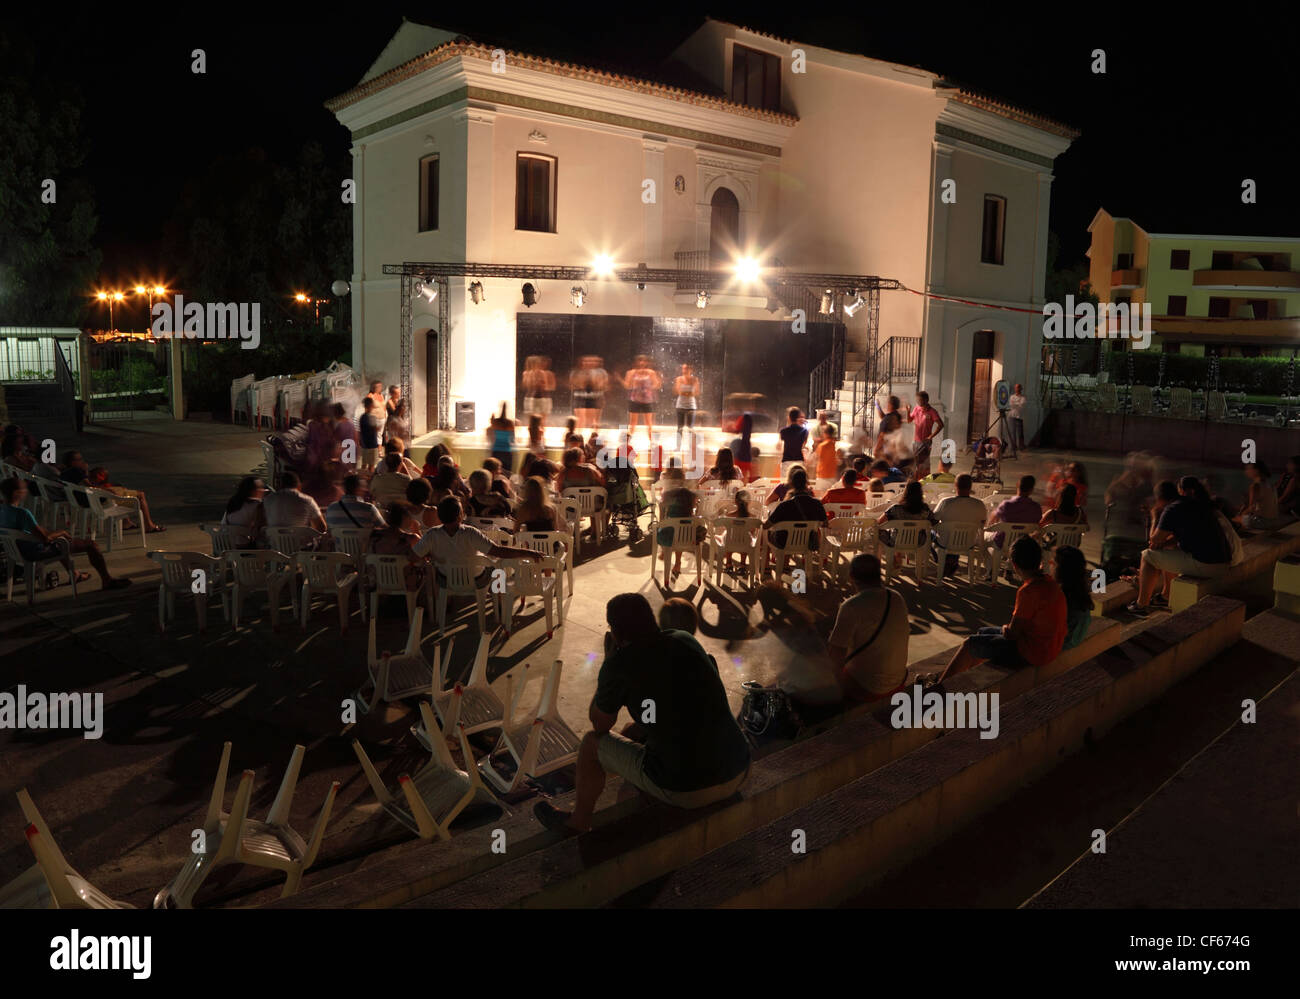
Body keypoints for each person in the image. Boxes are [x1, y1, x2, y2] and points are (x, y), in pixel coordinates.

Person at [533, 592, 750, 835]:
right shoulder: (685, 640)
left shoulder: (619, 665)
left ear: (614, 632)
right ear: (652, 619)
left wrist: (608, 664)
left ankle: (578, 821)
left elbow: (600, 724)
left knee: (591, 745)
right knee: (633, 731)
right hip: (738, 767)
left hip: (687, 788)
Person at [936, 536, 1067, 682]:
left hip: (1032, 653)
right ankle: (962, 678)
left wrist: (1005, 628)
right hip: (1049, 647)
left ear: (1015, 565)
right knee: (982, 632)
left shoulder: (1029, 591)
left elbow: (1012, 633)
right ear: (1039, 561)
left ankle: (939, 688)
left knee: (969, 644)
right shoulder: (1050, 583)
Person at [0, 477, 131, 590]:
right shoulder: (22, 513)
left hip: (16, 551)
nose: (26, 491)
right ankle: (107, 580)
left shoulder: (3, 510)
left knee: (61, 541)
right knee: (91, 545)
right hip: (35, 551)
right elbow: (45, 538)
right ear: (17, 493)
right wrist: (61, 532)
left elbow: (35, 530)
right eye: (23, 489)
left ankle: (74, 574)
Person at [1127, 476, 1232, 615]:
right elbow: (1182, 535)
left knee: (1147, 556)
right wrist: (1164, 543)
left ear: (1159, 499)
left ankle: (1141, 605)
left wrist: (1154, 517)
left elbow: (1153, 540)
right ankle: (1166, 596)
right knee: (1168, 550)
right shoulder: (1195, 503)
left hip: (1206, 565)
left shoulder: (1172, 509)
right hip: (1222, 562)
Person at [827, 554, 910, 702]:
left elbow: (836, 657)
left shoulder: (851, 606)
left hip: (866, 688)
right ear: (879, 574)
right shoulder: (897, 597)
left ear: (851, 576)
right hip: (898, 683)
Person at [410, 497, 536, 587]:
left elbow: (414, 557)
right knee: (498, 570)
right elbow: (499, 551)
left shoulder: (432, 534)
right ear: (460, 515)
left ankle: (446, 600)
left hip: (446, 580)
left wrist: (429, 554)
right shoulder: (470, 533)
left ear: (440, 516)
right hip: (475, 579)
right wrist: (528, 552)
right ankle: (499, 601)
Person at [765, 467, 827, 559]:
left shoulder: (784, 505)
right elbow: (825, 524)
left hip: (784, 543)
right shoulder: (817, 504)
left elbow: (767, 525)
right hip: (807, 542)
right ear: (806, 483)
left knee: (766, 534)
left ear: (791, 483)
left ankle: (770, 566)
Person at [84, 465, 165, 534]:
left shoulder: (84, 484)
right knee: (140, 495)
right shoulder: (103, 489)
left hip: (100, 503)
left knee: (121, 488)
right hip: (108, 505)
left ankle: (126, 523)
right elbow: (113, 494)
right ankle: (149, 525)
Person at [655, 461, 702, 580]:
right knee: (680, 529)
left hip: (671, 530)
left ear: (670, 479)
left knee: (666, 529)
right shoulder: (691, 495)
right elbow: (695, 512)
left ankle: (665, 550)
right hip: (689, 532)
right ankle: (677, 563)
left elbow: (663, 512)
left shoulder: (667, 494)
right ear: (684, 479)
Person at [987, 474, 1042, 551]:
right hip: (1023, 546)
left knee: (984, 536)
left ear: (1017, 486)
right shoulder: (1036, 508)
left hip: (1002, 544)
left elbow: (991, 521)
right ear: (1031, 490)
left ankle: (987, 560)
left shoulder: (1007, 505)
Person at [616, 355, 662, 445]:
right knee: (632, 423)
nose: (642, 363)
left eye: (644, 361)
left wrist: (656, 383)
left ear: (647, 362)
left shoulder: (651, 372)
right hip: (635, 400)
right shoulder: (631, 372)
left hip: (647, 400)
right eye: (640, 361)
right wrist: (619, 379)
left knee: (649, 423)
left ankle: (652, 442)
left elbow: (656, 385)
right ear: (636, 362)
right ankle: (627, 443)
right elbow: (627, 385)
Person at [1054, 545, 1093, 650]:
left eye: (1053, 564)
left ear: (1062, 570)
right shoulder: (1079, 591)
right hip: (1072, 641)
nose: (1051, 567)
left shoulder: (1062, 597)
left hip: (1062, 646)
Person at [263, 471, 327, 531]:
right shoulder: (307, 500)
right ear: (299, 486)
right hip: (301, 541)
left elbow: (261, 525)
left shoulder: (268, 500)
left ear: (279, 486)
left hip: (273, 542)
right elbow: (321, 527)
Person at [904, 391, 944, 479]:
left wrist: (930, 437)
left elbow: (941, 425)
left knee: (924, 463)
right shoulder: (917, 408)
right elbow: (909, 420)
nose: (918, 401)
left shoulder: (932, 411)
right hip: (916, 441)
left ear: (926, 400)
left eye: (920, 400)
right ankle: (917, 481)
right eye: (917, 400)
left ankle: (924, 481)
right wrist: (908, 411)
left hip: (925, 442)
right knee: (916, 462)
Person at [221, 475, 267, 548]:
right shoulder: (258, 505)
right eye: (261, 488)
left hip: (227, 545)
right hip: (246, 547)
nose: (264, 490)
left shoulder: (233, 502)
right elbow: (260, 530)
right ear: (253, 490)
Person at [1235, 461, 1279, 530]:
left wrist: (1241, 515)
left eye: (1248, 469)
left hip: (1261, 522)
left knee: (1232, 520)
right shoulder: (1271, 485)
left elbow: (1251, 508)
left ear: (1256, 471)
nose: (1246, 471)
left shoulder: (1255, 486)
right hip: (1273, 521)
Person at [673, 363, 700, 450]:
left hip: (691, 406)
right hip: (680, 405)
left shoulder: (695, 379)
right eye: (683, 369)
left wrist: (687, 393)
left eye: (686, 369)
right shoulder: (679, 379)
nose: (684, 371)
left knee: (690, 428)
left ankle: (690, 447)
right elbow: (678, 391)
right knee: (679, 427)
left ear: (690, 370)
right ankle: (678, 446)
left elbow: (696, 392)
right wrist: (689, 393)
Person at [521, 355, 556, 422]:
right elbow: (525, 385)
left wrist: (540, 384)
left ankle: (539, 430)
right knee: (533, 419)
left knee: (541, 419)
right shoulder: (526, 373)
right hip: (531, 397)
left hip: (542, 397)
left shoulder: (542, 373)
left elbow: (547, 386)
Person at [778, 407, 809, 479]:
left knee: (784, 483)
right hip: (799, 460)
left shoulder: (783, 431)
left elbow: (779, 446)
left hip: (786, 460)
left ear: (789, 417)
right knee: (799, 482)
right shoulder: (805, 431)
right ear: (798, 418)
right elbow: (804, 445)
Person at [812, 422, 841, 494]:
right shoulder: (836, 445)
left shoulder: (822, 446)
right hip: (833, 476)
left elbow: (815, 459)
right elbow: (839, 461)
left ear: (826, 433)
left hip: (822, 476)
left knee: (821, 497)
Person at [873, 395, 904, 464]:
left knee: (884, 467)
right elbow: (883, 417)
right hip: (894, 447)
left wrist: (876, 449)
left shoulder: (888, 419)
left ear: (890, 405)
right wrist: (878, 406)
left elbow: (882, 436)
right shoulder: (897, 415)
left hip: (886, 448)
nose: (886, 405)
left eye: (887, 403)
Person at [487, 403, 516, 474]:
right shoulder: (510, 424)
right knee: (507, 474)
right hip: (507, 452)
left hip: (496, 451)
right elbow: (512, 440)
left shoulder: (496, 422)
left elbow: (490, 436)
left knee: (494, 473)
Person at [332, 403, 358, 474]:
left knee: (345, 473)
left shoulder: (339, 426)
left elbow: (337, 442)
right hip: (353, 449)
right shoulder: (350, 422)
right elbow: (356, 437)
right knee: (352, 472)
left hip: (345, 452)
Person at [729, 412, 756, 482]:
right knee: (743, 478)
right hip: (745, 458)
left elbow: (736, 429)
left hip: (739, 458)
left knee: (738, 478)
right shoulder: (746, 441)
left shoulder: (736, 441)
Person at [358, 397, 382, 472]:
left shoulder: (363, 417)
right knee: (371, 465)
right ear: (370, 405)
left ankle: (362, 479)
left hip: (365, 444)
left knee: (364, 464)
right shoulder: (370, 417)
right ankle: (369, 481)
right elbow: (373, 428)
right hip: (372, 444)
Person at [1007, 382, 1028, 453]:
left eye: (1018, 387)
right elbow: (1011, 404)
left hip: (1019, 416)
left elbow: (1021, 406)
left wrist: (1015, 404)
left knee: (1020, 433)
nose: (1017, 389)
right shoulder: (1012, 397)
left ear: (1021, 389)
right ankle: (1013, 446)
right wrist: (1017, 404)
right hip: (1011, 416)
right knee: (1012, 432)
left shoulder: (1023, 397)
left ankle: (1021, 446)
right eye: (1016, 387)